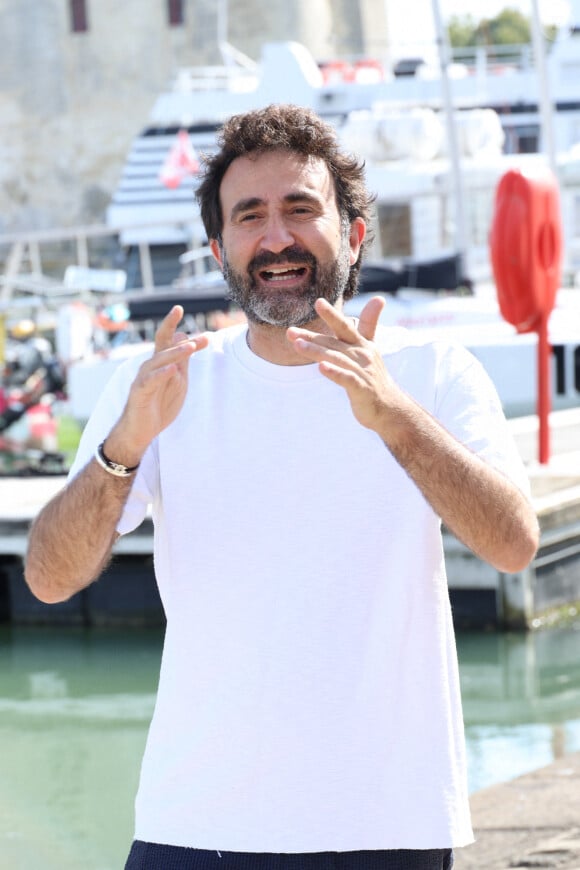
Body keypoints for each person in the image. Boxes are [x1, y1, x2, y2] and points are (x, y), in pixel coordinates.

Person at [25, 104, 539, 870]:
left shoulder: (433, 373)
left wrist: (396, 418)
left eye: (301, 209)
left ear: (355, 233)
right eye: (250, 215)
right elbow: (48, 577)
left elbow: (513, 545)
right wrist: (123, 446)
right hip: (194, 824)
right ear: (218, 246)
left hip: (385, 826)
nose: (276, 238)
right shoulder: (163, 384)